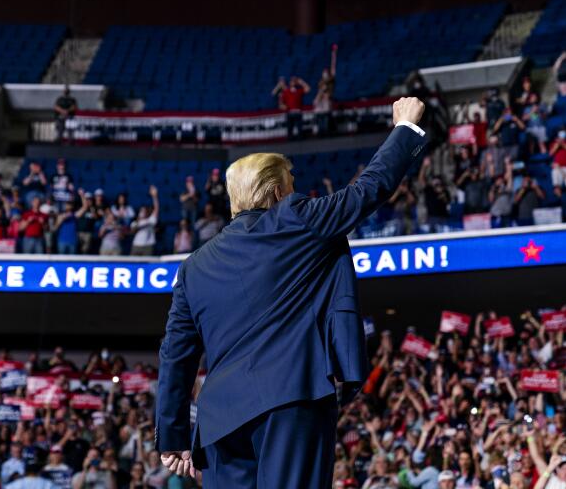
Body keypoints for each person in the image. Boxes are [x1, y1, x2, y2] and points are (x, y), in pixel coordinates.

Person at [155, 97, 426, 485]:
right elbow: (367, 190)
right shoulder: (294, 219)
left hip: (219, 423)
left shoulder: (193, 266)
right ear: (278, 191)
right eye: (293, 184)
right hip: (290, 400)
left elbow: (175, 355)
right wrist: (404, 128)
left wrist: (173, 435)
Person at [273, 76, 311, 140]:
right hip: (290, 112)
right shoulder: (286, 91)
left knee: (299, 128)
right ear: (290, 83)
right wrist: (281, 105)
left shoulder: (299, 90)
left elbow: (308, 89)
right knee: (290, 129)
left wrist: (301, 82)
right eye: (292, 81)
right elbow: (279, 99)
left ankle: (300, 138)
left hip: (298, 112)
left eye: (294, 81)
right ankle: (290, 139)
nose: (293, 83)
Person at [313, 44, 338, 135]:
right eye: (324, 72)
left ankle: (327, 131)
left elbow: (333, 66)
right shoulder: (321, 82)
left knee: (327, 115)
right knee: (320, 115)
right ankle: (320, 130)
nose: (325, 73)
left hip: (328, 99)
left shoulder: (330, 79)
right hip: (322, 99)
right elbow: (320, 91)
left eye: (326, 72)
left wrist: (334, 53)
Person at [130, 186, 159, 256]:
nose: (142, 212)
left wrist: (155, 197)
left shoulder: (150, 220)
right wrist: (138, 222)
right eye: (141, 211)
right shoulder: (134, 223)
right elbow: (132, 230)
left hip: (148, 246)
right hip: (136, 245)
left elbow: (156, 209)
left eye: (144, 211)